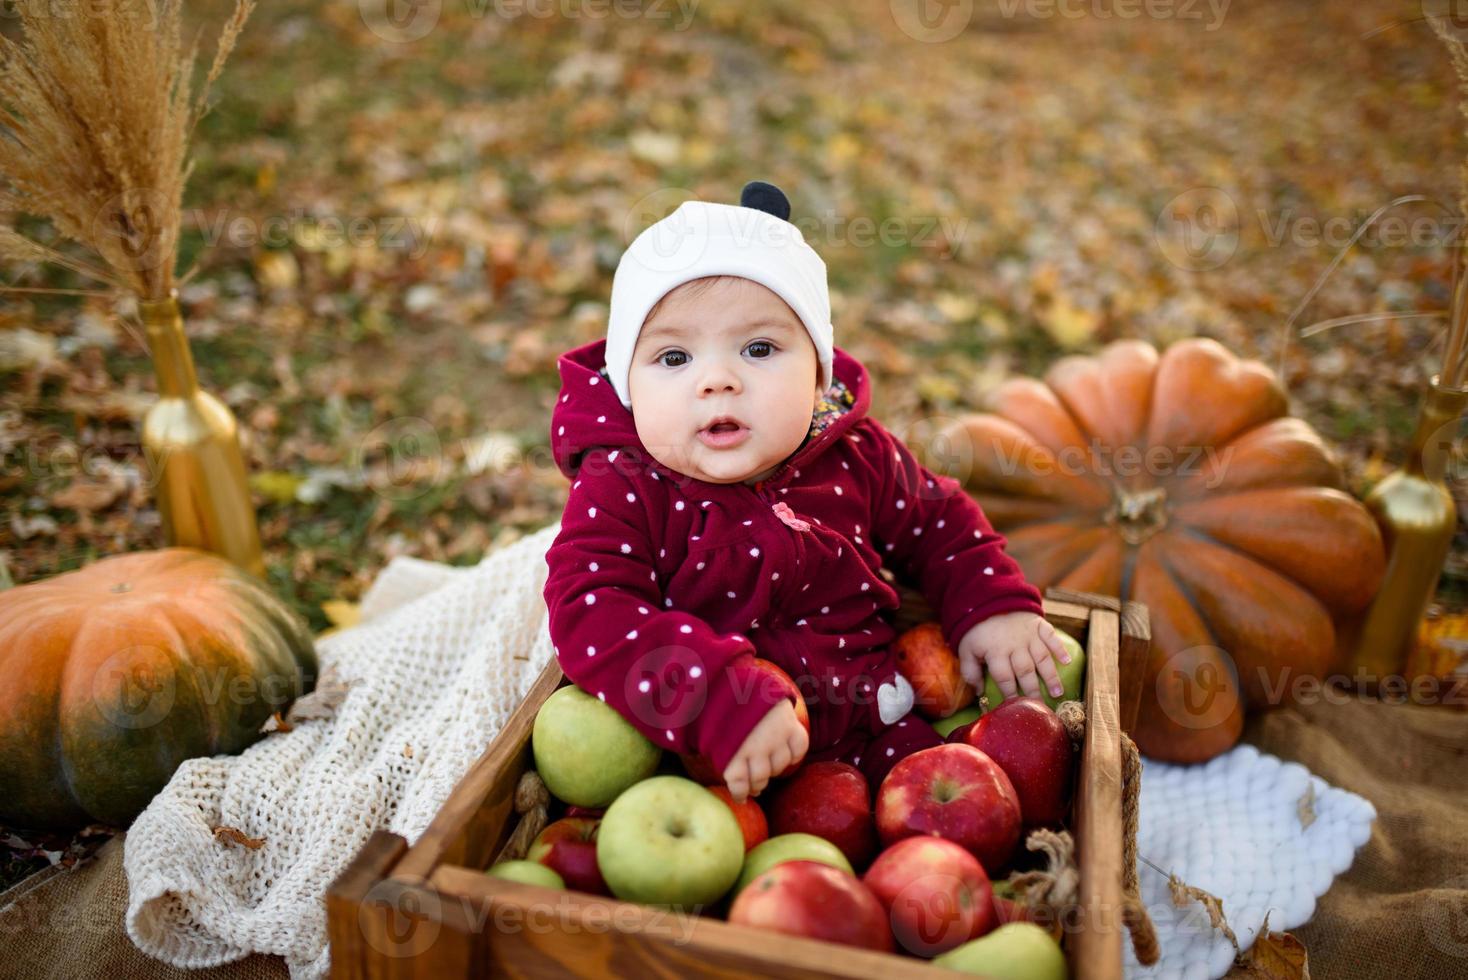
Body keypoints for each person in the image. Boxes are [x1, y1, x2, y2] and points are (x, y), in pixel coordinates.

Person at [543, 180, 1072, 803]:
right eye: (674, 358)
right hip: (719, 767)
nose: (718, 380)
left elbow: (939, 521)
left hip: (881, 727)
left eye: (759, 348)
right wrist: (713, 697)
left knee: (966, 821)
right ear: (627, 380)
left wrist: (990, 601)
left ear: (819, 374)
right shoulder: (624, 486)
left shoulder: (855, 454)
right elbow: (592, 609)